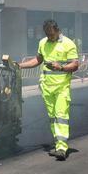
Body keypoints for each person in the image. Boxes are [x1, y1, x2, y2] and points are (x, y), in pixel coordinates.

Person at [19, 20, 80, 160]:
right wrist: (20, 65)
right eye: (47, 35)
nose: (50, 37)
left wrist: (61, 67)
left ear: (58, 30)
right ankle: (58, 145)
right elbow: (38, 60)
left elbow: (75, 65)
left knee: (61, 116)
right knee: (53, 117)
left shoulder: (68, 43)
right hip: (47, 87)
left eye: (52, 34)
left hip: (62, 87)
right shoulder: (43, 42)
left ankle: (62, 148)